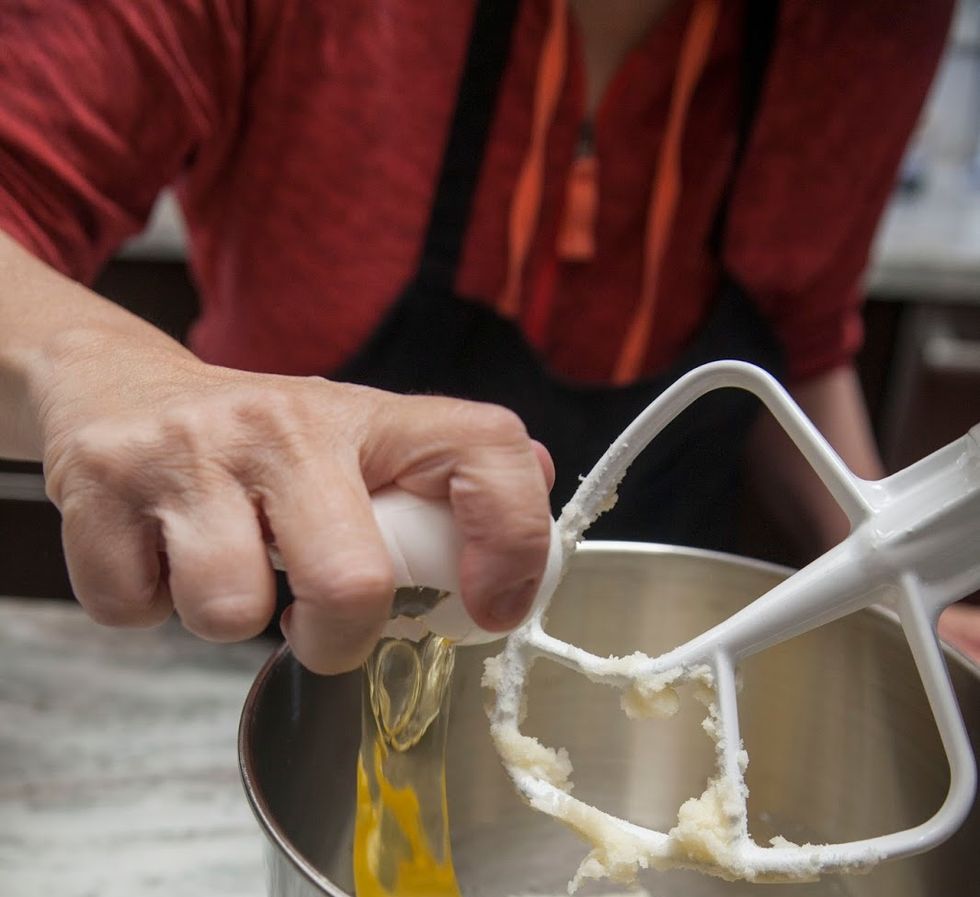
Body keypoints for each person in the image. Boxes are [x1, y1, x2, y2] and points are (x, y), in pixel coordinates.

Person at [0, 0, 975, 671]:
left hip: (655, 638)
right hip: (277, 642)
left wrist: (891, 569)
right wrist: (102, 372)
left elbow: (795, 334)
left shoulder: (868, 26)